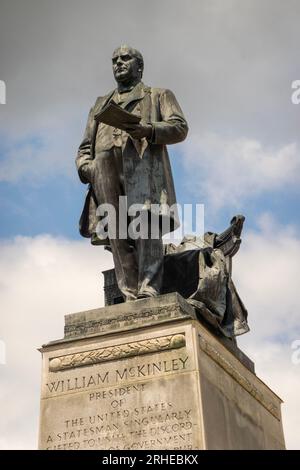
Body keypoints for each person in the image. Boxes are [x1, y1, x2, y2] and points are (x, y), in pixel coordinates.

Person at [76, 45, 188, 301]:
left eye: (125, 58)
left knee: (146, 225)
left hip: (142, 168)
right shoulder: (100, 104)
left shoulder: (159, 95)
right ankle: (129, 292)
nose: (118, 63)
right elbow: (85, 146)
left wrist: (149, 130)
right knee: (116, 230)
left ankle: (149, 286)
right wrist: (85, 167)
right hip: (104, 170)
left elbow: (180, 128)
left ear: (140, 66)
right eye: (114, 60)